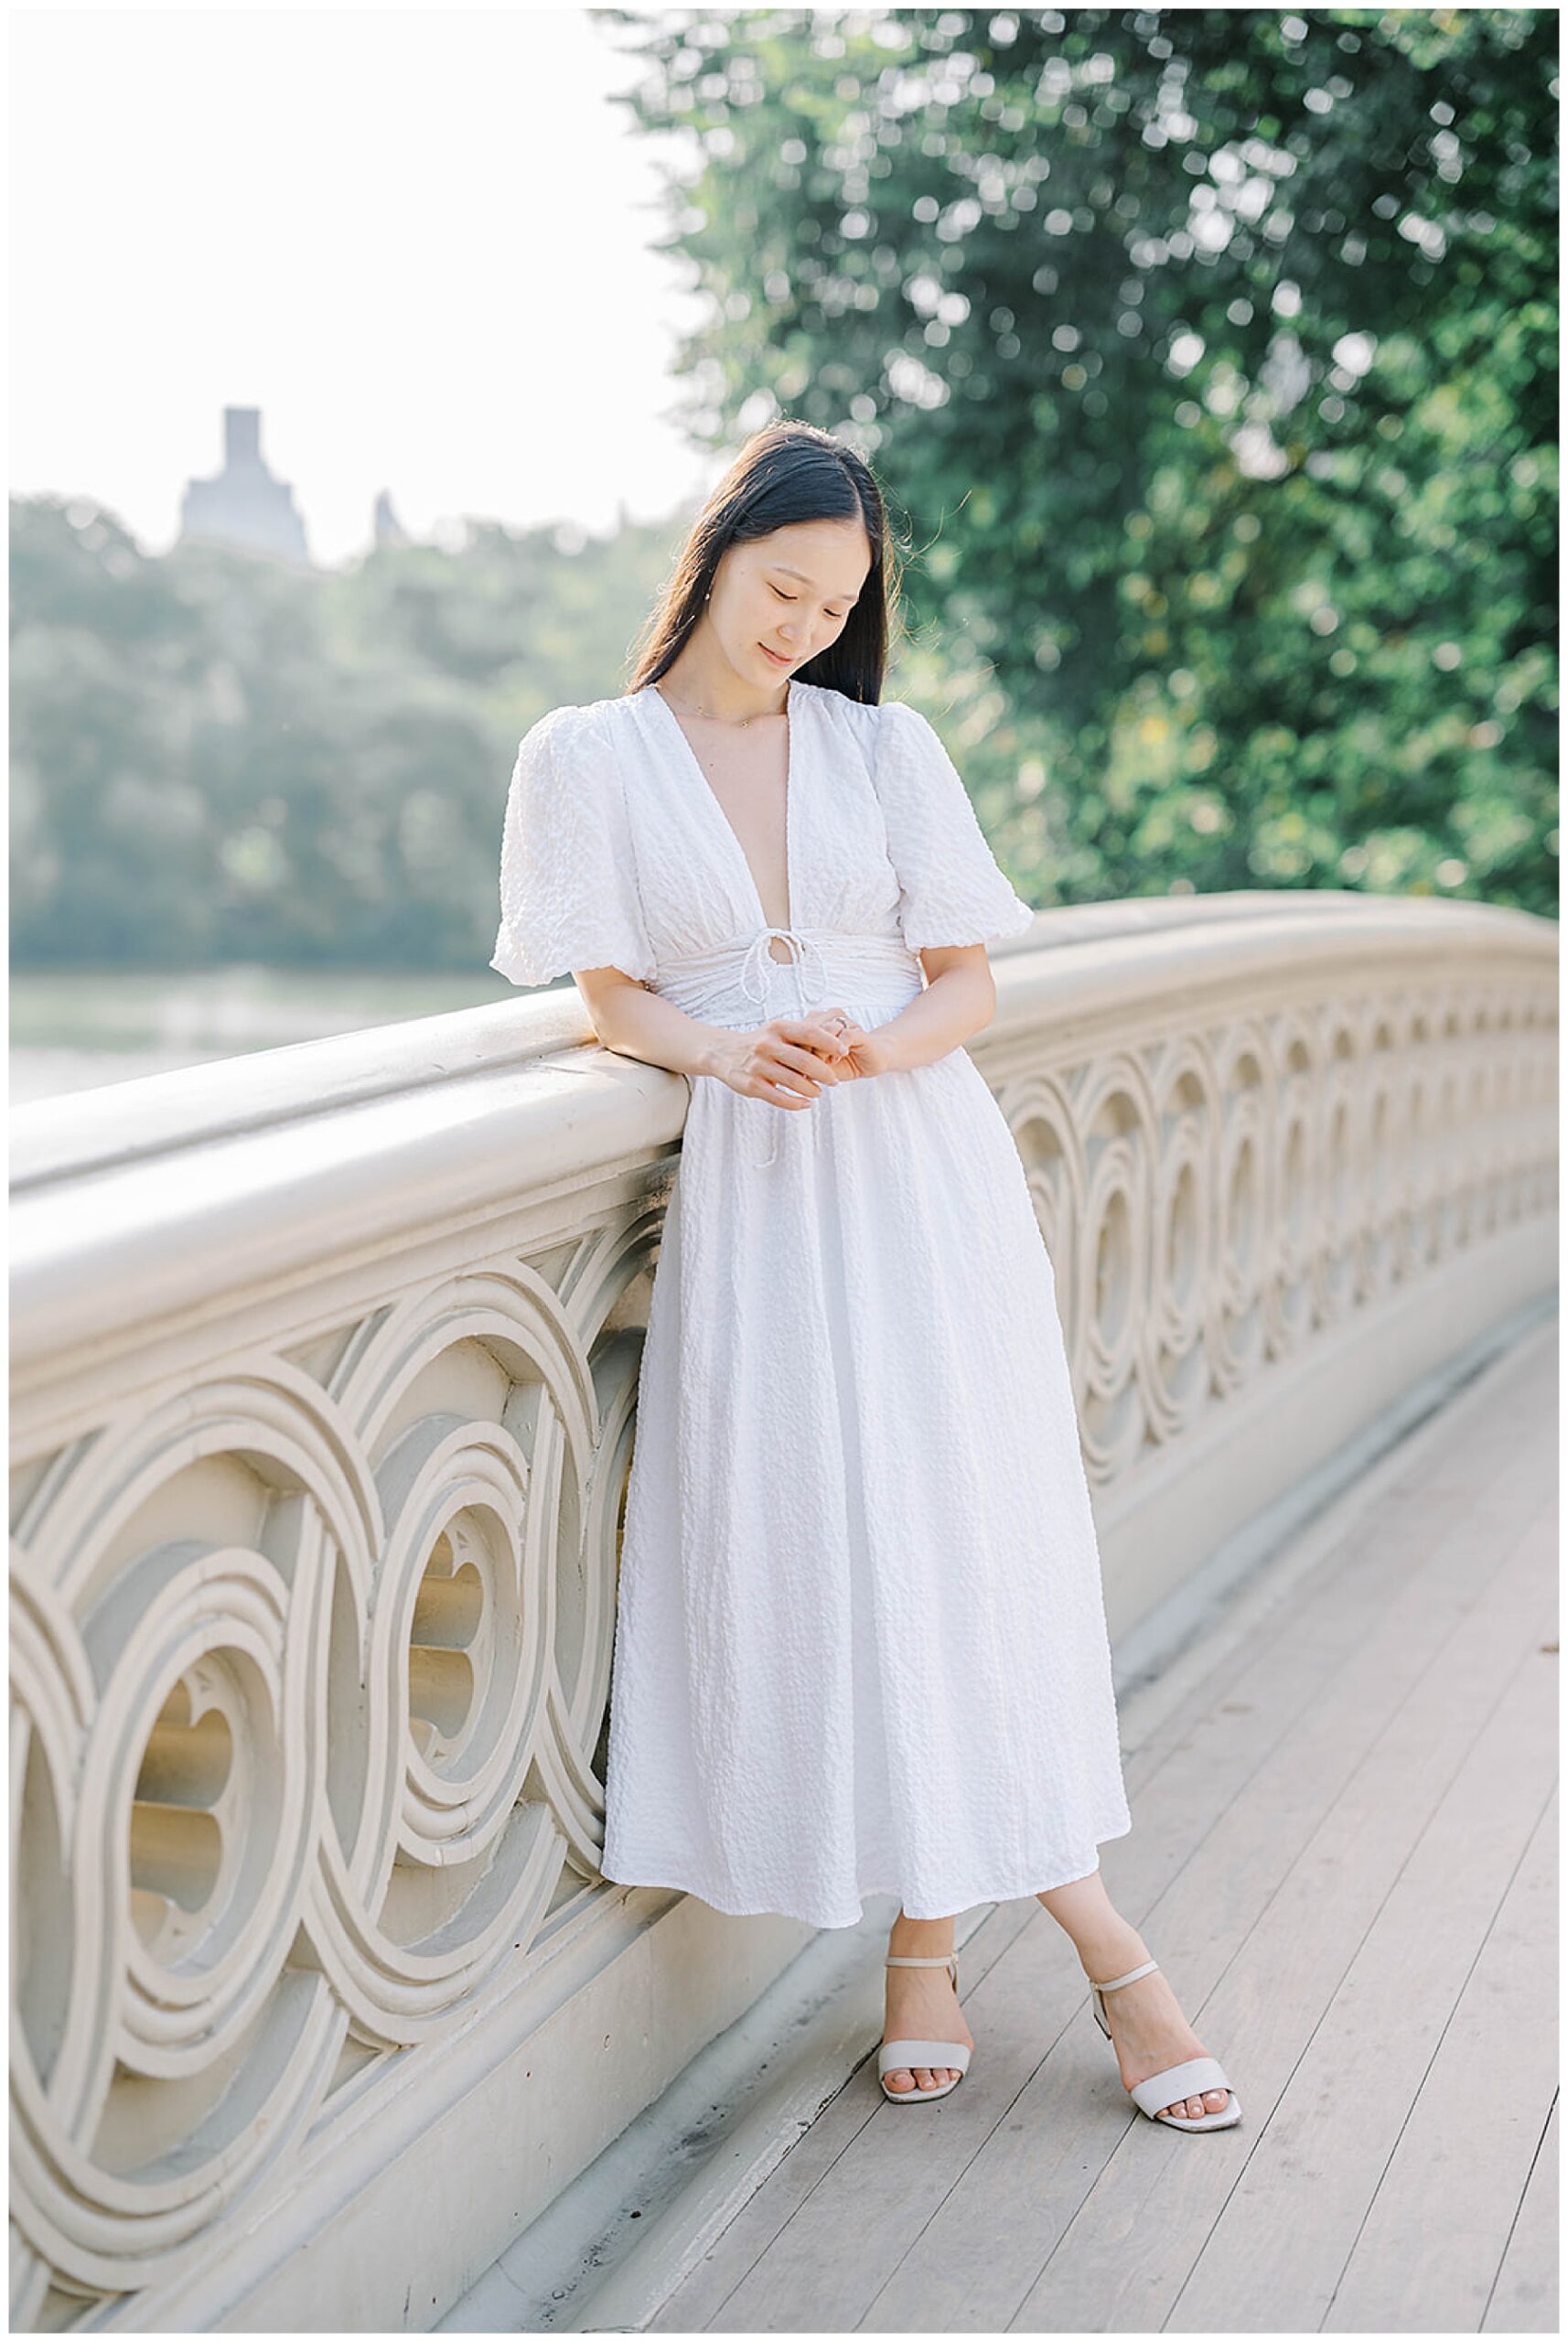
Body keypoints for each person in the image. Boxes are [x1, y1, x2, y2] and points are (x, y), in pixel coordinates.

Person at [491, 421, 1238, 2131]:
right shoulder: (585, 758)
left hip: (914, 1167)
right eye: (779, 589)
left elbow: (967, 984)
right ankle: (997, 1952)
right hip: (759, 1185)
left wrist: (877, 1048)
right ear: (713, 555)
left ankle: (999, 1951)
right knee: (838, 1543)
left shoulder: (884, 746)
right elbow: (604, 995)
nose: (802, 627)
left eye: (832, 606)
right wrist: (727, 1054)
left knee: (962, 1535)